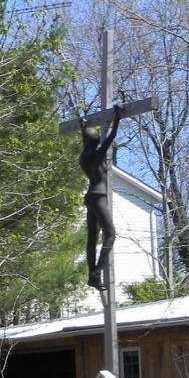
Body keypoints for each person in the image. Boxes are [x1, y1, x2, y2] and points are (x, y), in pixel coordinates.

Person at [79, 105, 122, 289]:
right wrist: (117, 118)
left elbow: (86, 141)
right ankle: (96, 273)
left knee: (92, 238)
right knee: (110, 234)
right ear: (96, 140)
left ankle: (92, 275)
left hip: (90, 196)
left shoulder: (85, 156)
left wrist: (83, 128)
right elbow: (111, 137)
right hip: (99, 196)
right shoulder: (97, 156)